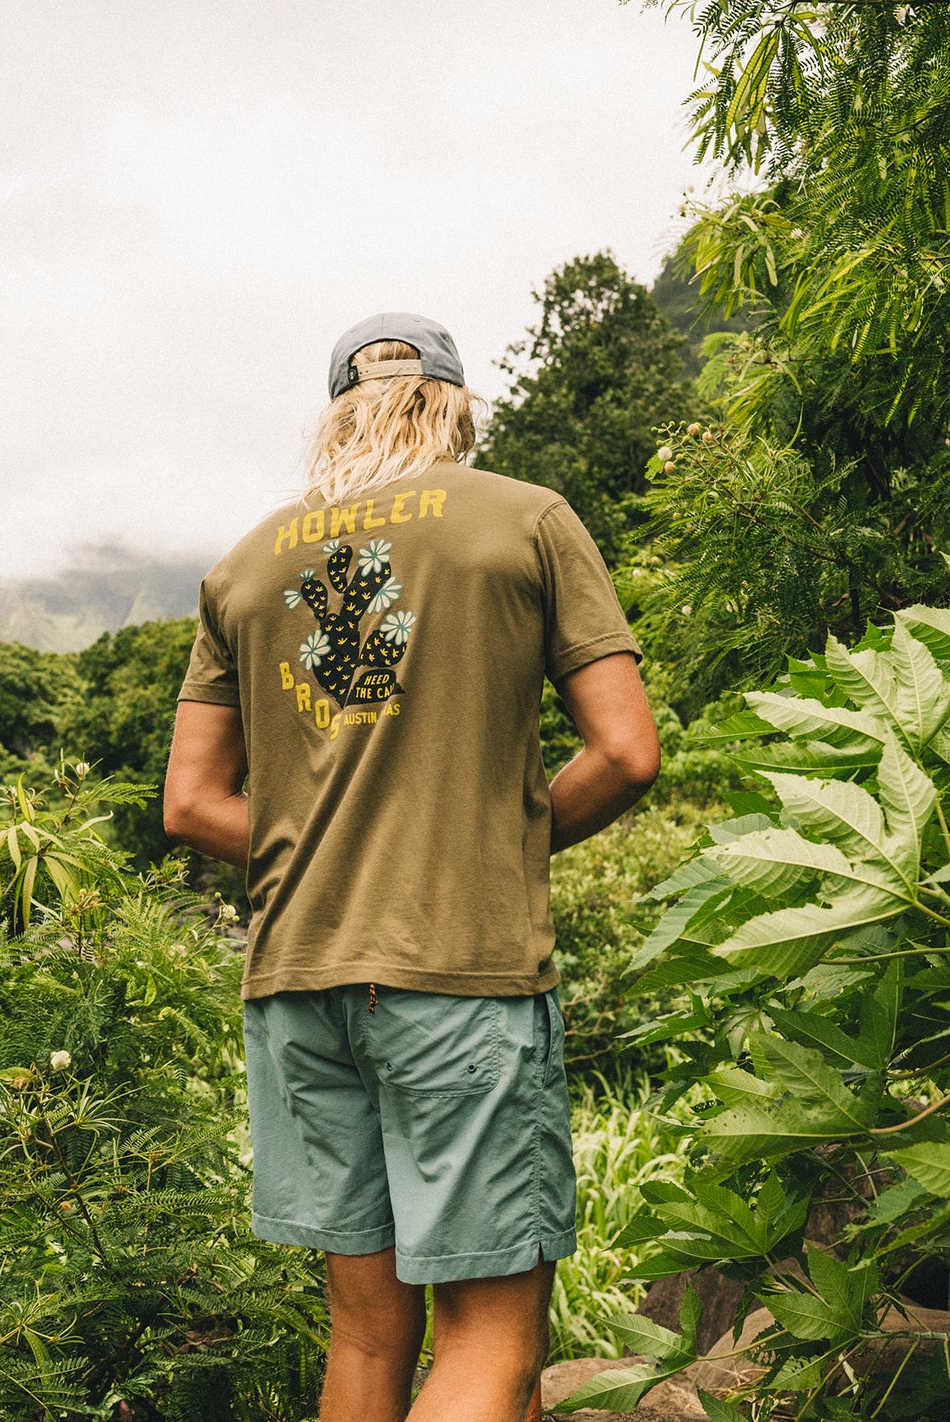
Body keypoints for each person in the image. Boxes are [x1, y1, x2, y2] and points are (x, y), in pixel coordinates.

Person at [163, 312, 660, 1422]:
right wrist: (495, 834)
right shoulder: (522, 519)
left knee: (363, 1342)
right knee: (490, 1345)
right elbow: (626, 749)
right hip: (456, 972)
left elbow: (190, 801)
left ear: (335, 411)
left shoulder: (243, 565)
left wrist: (323, 841)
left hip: (297, 983)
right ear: (453, 406)